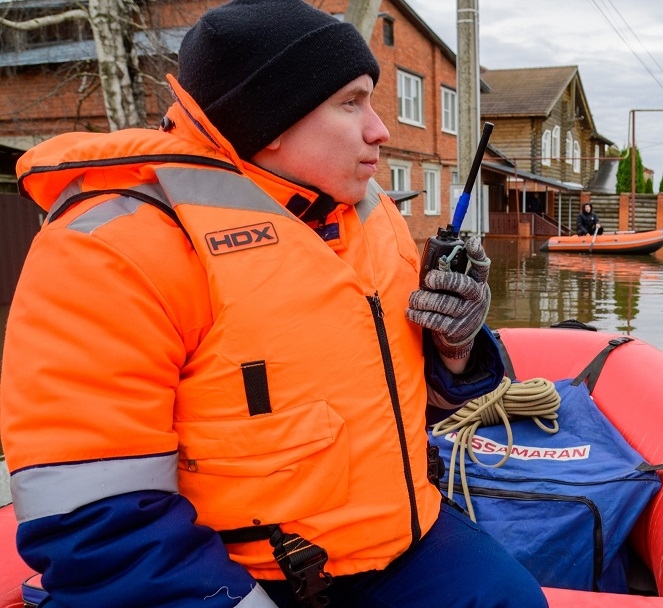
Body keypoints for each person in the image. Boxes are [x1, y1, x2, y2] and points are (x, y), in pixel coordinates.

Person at [0, 1, 549, 607]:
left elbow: (411, 395)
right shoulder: (115, 246)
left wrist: (456, 349)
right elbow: (93, 517)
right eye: (351, 101)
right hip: (236, 576)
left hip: (402, 537)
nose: (381, 129)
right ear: (272, 120)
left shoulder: (375, 215)